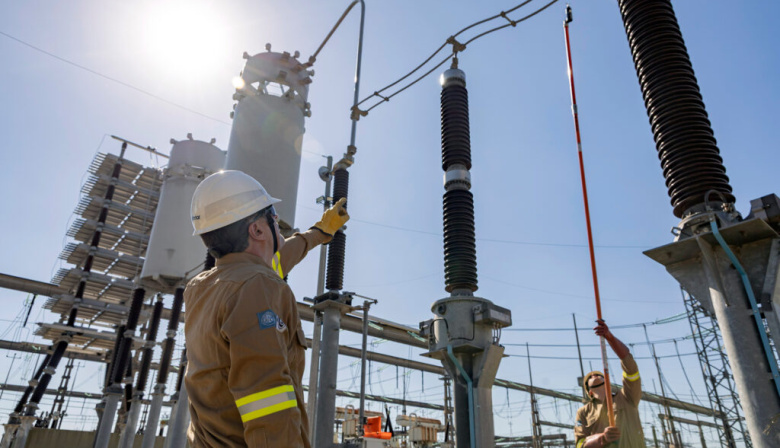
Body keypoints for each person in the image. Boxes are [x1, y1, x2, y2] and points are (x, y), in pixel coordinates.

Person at [184, 170, 349, 448]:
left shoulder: (205, 285)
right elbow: (268, 400)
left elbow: (279, 259)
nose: (279, 224)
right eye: (273, 216)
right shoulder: (258, 286)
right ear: (258, 230)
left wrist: (319, 233)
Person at [575, 321, 643, 448]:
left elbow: (630, 367)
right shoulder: (584, 412)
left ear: (608, 383)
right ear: (589, 392)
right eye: (590, 377)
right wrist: (602, 439)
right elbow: (580, 444)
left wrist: (610, 337)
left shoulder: (627, 398)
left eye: (599, 375)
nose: (594, 375)